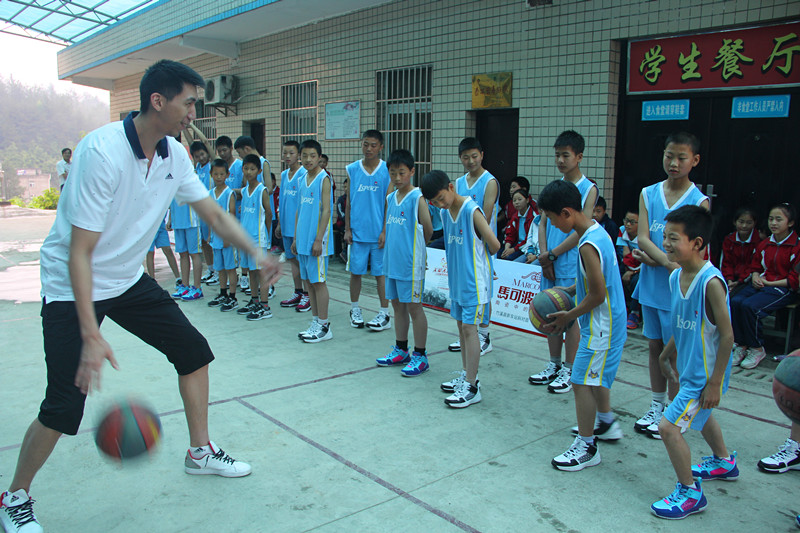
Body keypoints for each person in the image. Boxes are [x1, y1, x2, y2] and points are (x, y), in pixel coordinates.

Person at [0, 60, 281, 533]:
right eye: (189, 102)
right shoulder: (101, 152)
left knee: (193, 351)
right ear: (158, 100)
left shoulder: (174, 155)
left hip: (125, 278)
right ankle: (14, 498)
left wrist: (257, 252)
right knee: (65, 403)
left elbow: (213, 214)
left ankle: (200, 452)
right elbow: (80, 252)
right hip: (72, 285)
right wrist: (91, 334)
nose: (194, 113)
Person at [650, 205, 737, 520]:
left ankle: (690, 493)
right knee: (700, 416)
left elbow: (726, 336)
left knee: (668, 427)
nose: (666, 243)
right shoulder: (676, 276)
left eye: (674, 238)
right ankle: (724, 461)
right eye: (665, 236)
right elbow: (684, 323)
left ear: (698, 243)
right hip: (689, 371)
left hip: (704, 377)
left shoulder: (710, 282)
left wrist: (714, 383)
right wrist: (665, 354)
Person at [537, 180, 626, 471]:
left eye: (552, 219)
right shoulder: (596, 232)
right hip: (605, 323)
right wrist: (573, 289)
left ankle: (587, 447)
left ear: (566, 213)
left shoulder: (587, 245)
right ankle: (606, 423)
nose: (552, 224)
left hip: (602, 326)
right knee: (592, 379)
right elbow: (597, 281)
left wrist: (568, 315)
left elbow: (598, 295)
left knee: (579, 381)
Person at [631, 132, 709, 439]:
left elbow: (697, 250)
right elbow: (642, 237)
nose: (674, 163)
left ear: (695, 160)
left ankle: (675, 412)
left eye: (681, 158)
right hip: (653, 283)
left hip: (680, 290)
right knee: (654, 347)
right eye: (669, 156)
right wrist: (665, 262)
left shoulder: (698, 201)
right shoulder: (648, 193)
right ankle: (656, 404)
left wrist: (661, 262)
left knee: (675, 353)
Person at [421, 170, 501, 408]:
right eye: (434, 202)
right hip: (456, 281)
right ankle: (467, 375)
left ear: (451, 187)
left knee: (469, 329)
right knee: (461, 329)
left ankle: (472, 387)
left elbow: (494, 245)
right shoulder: (445, 213)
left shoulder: (471, 210)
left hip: (474, 283)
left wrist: (478, 258)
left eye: (441, 198)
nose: (440, 204)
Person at [529, 130, 598, 394]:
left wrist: (554, 254)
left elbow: (582, 229)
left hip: (570, 261)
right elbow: (542, 222)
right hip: (550, 261)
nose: (560, 160)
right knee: (550, 310)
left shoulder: (588, 189)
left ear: (579, 156)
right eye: (557, 155)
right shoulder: (555, 186)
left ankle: (570, 369)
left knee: (571, 317)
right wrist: (544, 255)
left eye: (565, 155)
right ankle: (554, 363)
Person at [375, 150, 433, 376]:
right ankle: (401, 349)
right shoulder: (390, 198)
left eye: (402, 173)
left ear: (412, 171)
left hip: (410, 266)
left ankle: (421, 355)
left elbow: (428, 229)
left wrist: (417, 252)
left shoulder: (417, 198)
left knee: (414, 308)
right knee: (397, 306)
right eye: (393, 173)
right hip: (392, 263)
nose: (397, 178)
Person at [730, 203, 799, 369]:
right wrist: (755, 276)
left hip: (784, 288)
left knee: (750, 307)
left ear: (790, 223)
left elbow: (795, 279)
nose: (773, 223)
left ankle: (756, 347)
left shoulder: (797, 246)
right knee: (735, 301)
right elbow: (755, 266)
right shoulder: (765, 243)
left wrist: (769, 283)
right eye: (771, 219)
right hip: (763, 284)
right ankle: (741, 344)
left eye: (778, 219)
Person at [448, 137, 499, 355]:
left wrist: (478, 239)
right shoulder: (459, 183)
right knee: (464, 290)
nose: (470, 161)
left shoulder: (490, 182)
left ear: (482, 155)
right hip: (462, 245)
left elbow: (484, 216)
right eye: (465, 157)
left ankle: (484, 336)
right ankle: (468, 334)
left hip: (481, 244)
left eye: (474, 156)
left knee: (483, 290)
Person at [344, 130, 392, 331]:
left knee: (381, 274)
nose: (369, 149)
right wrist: (347, 228)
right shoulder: (353, 169)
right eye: (366, 144)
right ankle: (355, 309)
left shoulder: (387, 170)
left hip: (379, 234)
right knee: (356, 272)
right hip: (357, 234)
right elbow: (349, 201)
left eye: (373, 145)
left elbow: (389, 204)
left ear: (381, 147)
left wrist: (384, 231)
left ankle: (384, 313)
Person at [293, 139, 334, 343]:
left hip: (316, 241)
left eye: (312, 156)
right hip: (302, 240)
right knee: (308, 282)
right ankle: (316, 321)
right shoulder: (302, 179)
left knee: (318, 282)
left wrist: (319, 239)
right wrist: (295, 238)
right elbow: (299, 210)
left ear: (319, 157)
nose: (308, 159)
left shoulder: (323, 179)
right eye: (305, 156)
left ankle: (325, 326)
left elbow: (326, 210)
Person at [233, 154, 273, 320]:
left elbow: (269, 214)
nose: (249, 172)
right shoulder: (244, 191)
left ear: (259, 171)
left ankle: (265, 306)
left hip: (258, 240)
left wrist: (266, 236)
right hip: (246, 240)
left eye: (252, 169)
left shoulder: (262, 190)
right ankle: (255, 300)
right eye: (246, 168)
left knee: (261, 272)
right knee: (251, 271)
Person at [276, 140, 310, 311]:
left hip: (299, 228)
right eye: (285, 153)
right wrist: (280, 223)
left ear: (298, 155)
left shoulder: (304, 174)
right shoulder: (284, 175)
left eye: (291, 153)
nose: (288, 156)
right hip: (286, 226)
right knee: (292, 260)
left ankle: (308, 294)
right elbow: (282, 200)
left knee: (302, 262)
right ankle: (298, 291)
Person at [204, 159, 240, 312]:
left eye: (221, 174)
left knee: (230, 268)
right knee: (220, 268)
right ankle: (223, 293)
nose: (218, 177)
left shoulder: (229, 193)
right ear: (211, 174)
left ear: (227, 175)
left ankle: (233, 297)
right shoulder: (210, 194)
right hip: (216, 237)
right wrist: (210, 235)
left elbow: (231, 215)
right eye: (216, 174)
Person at [168, 170, 205, 301]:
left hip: (191, 222)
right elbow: (172, 200)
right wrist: (170, 219)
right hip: (178, 221)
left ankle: (197, 288)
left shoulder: (190, 174)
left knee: (194, 254)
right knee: (183, 254)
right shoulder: (170, 176)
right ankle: (185, 285)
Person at [189, 140, 217, 286]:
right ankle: (211, 269)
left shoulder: (212, 166)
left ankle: (218, 271)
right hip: (199, 211)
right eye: (197, 156)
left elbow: (205, 142)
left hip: (210, 209)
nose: (201, 158)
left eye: (202, 154)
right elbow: (190, 143)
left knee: (212, 241)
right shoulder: (197, 167)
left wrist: (191, 128)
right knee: (204, 242)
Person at [719, 207, 760, 295]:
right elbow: (726, 262)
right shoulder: (729, 240)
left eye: (749, 223)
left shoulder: (759, 241)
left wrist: (740, 281)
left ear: (754, 223)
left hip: (748, 279)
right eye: (741, 222)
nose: (744, 226)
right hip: (730, 279)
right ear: (735, 222)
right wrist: (729, 280)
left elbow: (754, 265)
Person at [616, 209, 642, 329]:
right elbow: (625, 254)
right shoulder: (622, 230)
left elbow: (645, 258)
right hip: (628, 264)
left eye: (632, 222)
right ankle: (622, 308)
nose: (628, 224)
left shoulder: (645, 234)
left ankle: (635, 313)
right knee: (615, 276)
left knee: (637, 281)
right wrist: (628, 271)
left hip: (642, 266)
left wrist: (633, 272)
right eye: (626, 220)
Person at [499, 189, 535, 261]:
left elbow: (530, 239)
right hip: (517, 245)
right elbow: (510, 234)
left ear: (527, 200)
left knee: (509, 259)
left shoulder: (533, 216)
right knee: (499, 255)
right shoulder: (515, 216)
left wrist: (513, 249)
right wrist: (507, 248)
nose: (517, 202)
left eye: (519, 199)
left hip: (529, 247)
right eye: (514, 200)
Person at [145, 213, 181, 282]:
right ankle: (152, 280)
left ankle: (178, 278)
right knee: (150, 253)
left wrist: (170, 220)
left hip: (161, 225)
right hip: (149, 226)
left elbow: (169, 207)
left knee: (168, 250)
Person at [334, 177, 349, 262]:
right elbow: (341, 213)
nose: (346, 189)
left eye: (348, 186)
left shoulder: (355, 198)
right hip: (341, 224)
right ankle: (344, 252)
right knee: (346, 231)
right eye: (345, 187)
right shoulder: (341, 199)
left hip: (352, 224)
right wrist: (348, 221)